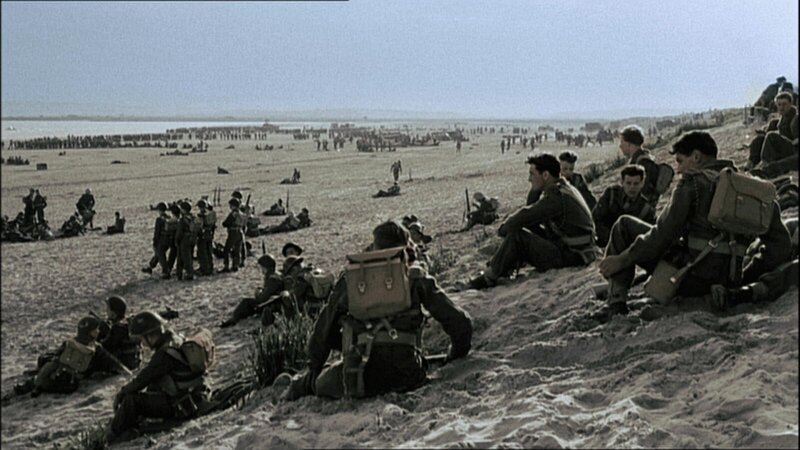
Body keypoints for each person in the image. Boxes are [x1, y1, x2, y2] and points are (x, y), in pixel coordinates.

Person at [590, 131, 793, 322]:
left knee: (624, 225)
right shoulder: (753, 189)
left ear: (696, 157)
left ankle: (616, 304)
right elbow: (781, 245)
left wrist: (623, 259)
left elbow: (661, 236)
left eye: (680, 161)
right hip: (730, 282)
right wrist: (745, 275)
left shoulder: (693, 184)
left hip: (691, 280)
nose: (678, 169)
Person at [282, 220, 473, 400]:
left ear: (375, 246)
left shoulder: (352, 280)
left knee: (321, 382)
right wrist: (455, 354)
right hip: (408, 376)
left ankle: (297, 387)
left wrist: (314, 368)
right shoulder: (415, 277)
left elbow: (323, 332)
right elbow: (460, 323)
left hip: (359, 379)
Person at [468, 153, 597, 289]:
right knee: (527, 227)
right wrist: (536, 189)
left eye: (532, 174)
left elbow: (526, 215)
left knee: (517, 236)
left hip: (574, 256)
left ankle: (489, 277)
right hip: (578, 251)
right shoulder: (563, 188)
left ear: (546, 175)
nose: (529, 179)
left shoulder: (557, 196)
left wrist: (504, 229)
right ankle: (502, 268)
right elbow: (531, 213)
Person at [107, 311, 210, 442]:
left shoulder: (163, 354)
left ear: (150, 336)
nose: (142, 343)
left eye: (142, 339)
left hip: (183, 403)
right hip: (195, 393)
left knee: (131, 400)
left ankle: (111, 437)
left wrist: (121, 393)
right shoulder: (175, 339)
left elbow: (142, 379)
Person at [13, 316, 122, 396]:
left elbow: (57, 355)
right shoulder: (96, 349)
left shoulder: (70, 343)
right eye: (96, 330)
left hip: (59, 372)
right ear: (90, 332)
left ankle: (33, 385)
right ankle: (38, 386)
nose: (98, 332)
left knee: (47, 368)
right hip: (70, 380)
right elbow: (112, 363)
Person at [592, 165, 656, 247]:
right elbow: (596, 219)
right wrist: (611, 240)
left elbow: (648, 235)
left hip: (627, 249)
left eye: (636, 184)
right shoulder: (611, 194)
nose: (632, 187)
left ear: (642, 183)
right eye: (628, 183)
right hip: (602, 243)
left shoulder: (646, 209)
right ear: (622, 182)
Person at [219, 253, 284, 328]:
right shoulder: (276, 274)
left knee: (246, 302)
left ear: (265, 267)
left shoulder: (273, 279)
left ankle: (233, 320)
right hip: (273, 301)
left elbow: (262, 298)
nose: (261, 270)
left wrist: (258, 292)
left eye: (262, 267)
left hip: (271, 304)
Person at [748, 92, 799, 178]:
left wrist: (792, 142)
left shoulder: (796, 118)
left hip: (794, 151)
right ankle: (750, 164)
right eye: (779, 105)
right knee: (759, 139)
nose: (781, 107)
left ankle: (766, 165)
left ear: (790, 104)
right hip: (785, 150)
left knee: (771, 136)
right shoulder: (781, 120)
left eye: (784, 104)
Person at [618, 125, 660, 206]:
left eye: (622, 142)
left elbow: (642, 192)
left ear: (630, 144)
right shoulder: (641, 159)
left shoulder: (643, 163)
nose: (620, 146)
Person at [98, 296, 141, 371]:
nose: (106, 311)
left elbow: (105, 347)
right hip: (134, 361)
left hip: (124, 365)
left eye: (108, 309)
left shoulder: (117, 328)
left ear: (113, 313)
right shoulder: (128, 323)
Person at [174, 202, 198, 281]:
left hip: (184, 240)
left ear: (184, 210)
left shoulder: (182, 220)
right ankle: (187, 272)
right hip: (192, 238)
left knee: (183, 257)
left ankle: (187, 273)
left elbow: (179, 232)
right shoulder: (193, 218)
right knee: (189, 256)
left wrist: (177, 240)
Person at [221, 197, 244, 273]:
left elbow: (226, 223)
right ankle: (235, 265)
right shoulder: (241, 213)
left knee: (226, 250)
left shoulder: (233, 214)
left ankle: (226, 266)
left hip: (233, 232)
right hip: (240, 232)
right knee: (237, 250)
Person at [196, 199, 216, 276]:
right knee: (209, 251)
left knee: (202, 252)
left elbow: (199, 226)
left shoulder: (201, 215)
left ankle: (204, 269)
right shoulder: (211, 214)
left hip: (203, 235)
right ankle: (210, 267)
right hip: (209, 234)